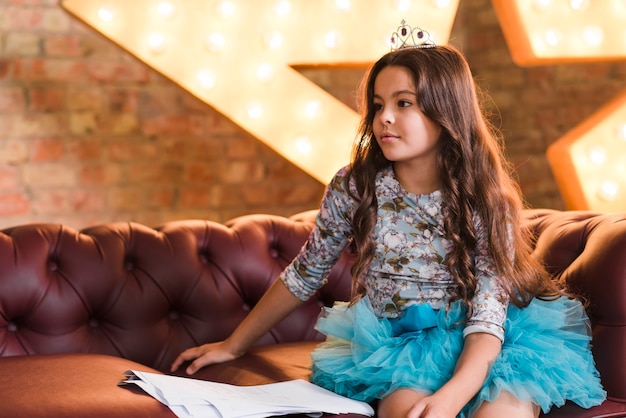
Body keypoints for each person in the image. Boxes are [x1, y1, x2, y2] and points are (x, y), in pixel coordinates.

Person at [171, 22, 606, 418]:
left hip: (489, 341)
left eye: (404, 104)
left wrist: (454, 394)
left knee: (501, 413)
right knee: (405, 412)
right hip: (401, 347)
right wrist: (234, 345)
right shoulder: (355, 185)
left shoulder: (483, 199)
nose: (385, 119)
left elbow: (489, 317)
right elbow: (305, 272)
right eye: (378, 105)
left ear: (445, 113)